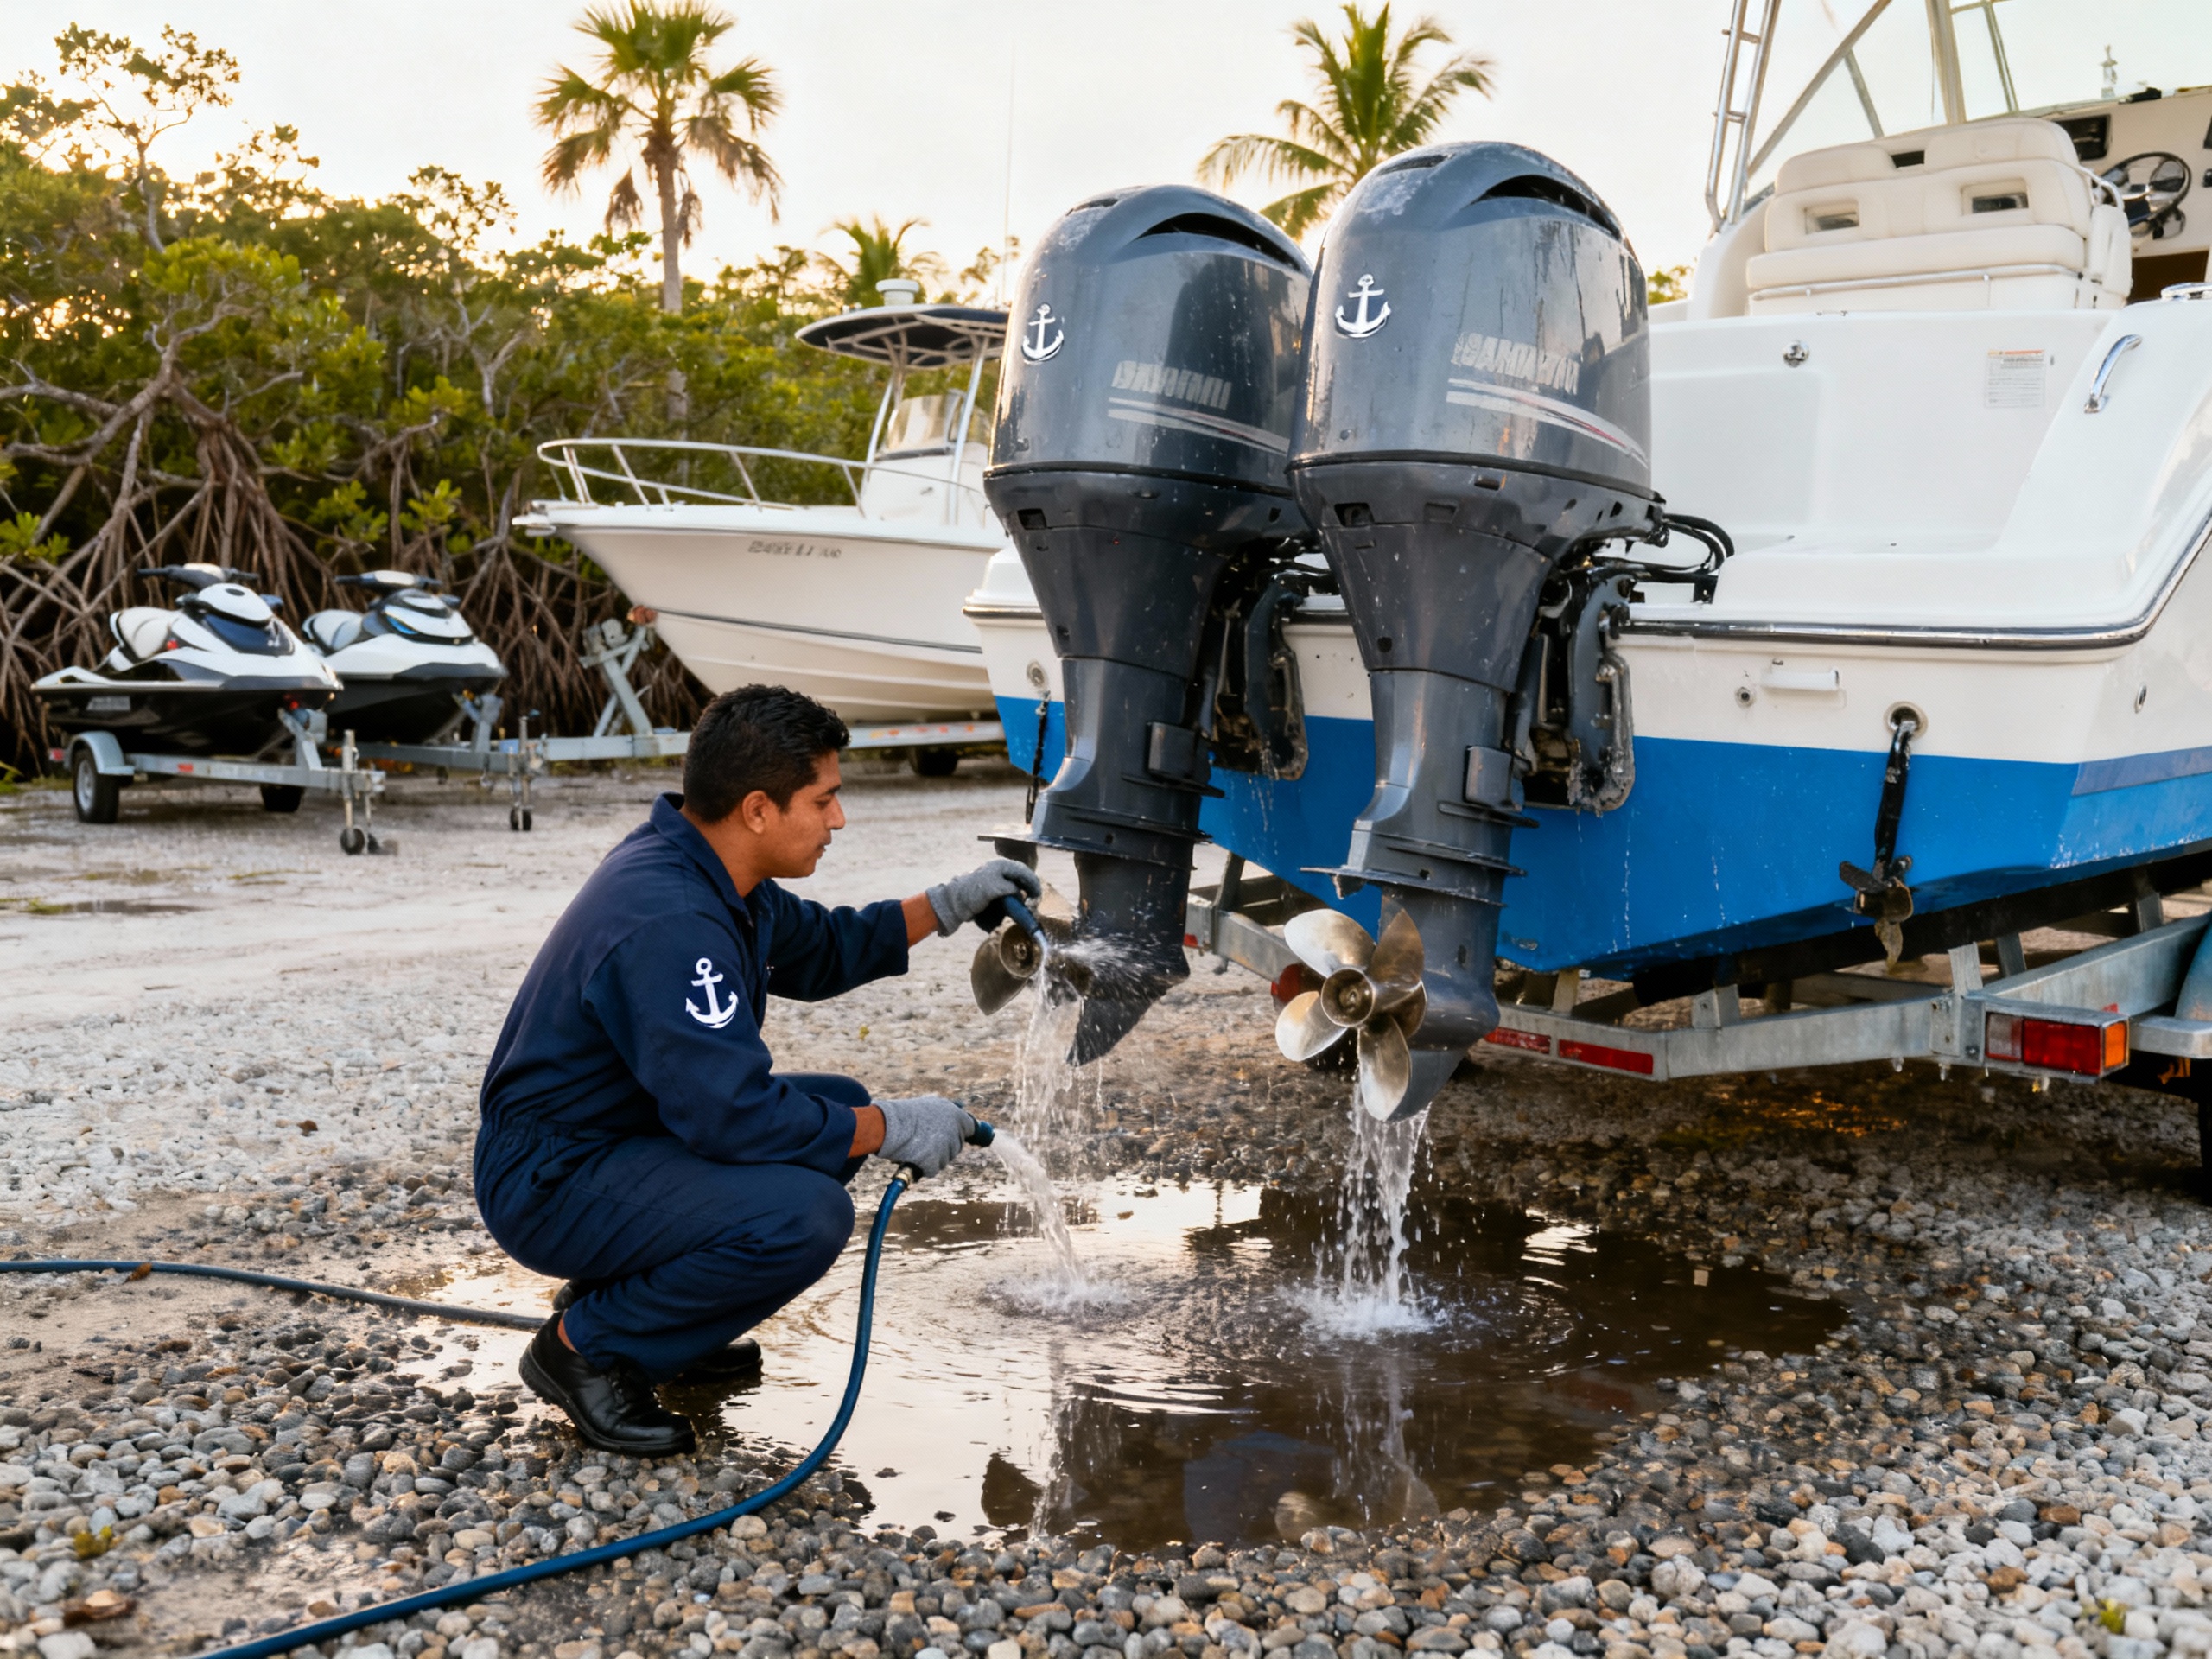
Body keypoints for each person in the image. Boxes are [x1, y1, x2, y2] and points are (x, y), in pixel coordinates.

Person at [474, 683, 1041, 1455]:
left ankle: (661, 1315)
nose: (838, 819)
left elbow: (827, 949)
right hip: (550, 1181)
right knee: (805, 1214)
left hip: (611, 1137)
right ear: (757, 810)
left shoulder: (714, 872)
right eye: (825, 799)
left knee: (835, 1108)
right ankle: (587, 1351)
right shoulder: (673, 919)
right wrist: (892, 1127)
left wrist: (947, 904)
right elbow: (736, 1117)